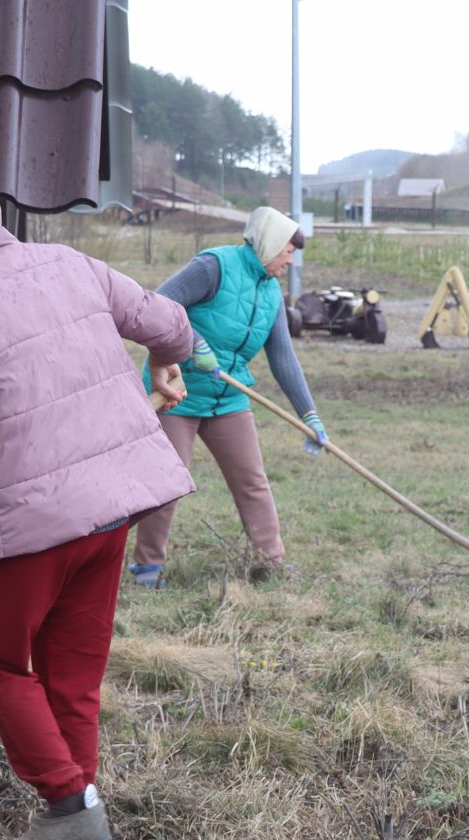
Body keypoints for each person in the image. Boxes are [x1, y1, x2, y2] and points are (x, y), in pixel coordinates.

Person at [0, 147, 195, 840]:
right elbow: (169, 322)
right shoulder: (72, 264)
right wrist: (164, 357)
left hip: (39, 522)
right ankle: (81, 803)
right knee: (71, 666)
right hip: (112, 511)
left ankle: (66, 804)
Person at [129, 205, 329, 587]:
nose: (291, 259)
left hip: (229, 398)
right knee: (168, 480)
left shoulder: (271, 293)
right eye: (288, 250)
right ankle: (147, 566)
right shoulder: (213, 267)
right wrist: (193, 344)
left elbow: (283, 356)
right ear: (269, 243)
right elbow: (159, 304)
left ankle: (270, 562)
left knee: (252, 480)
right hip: (177, 391)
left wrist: (310, 414)